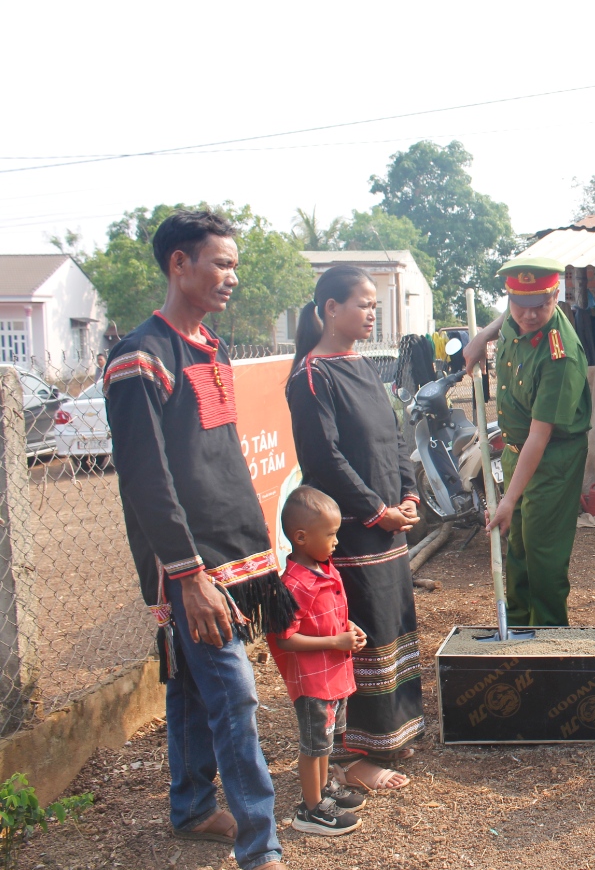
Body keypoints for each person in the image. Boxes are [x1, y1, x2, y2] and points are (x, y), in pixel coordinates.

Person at [104, 210, 291, 870]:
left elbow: (217, 458)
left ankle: (189, 806)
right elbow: (146, 477)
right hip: (189, 565)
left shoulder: (211, 346)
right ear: (178, 264)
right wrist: (187, 576)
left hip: (232, 550)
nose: (231, 276)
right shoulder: (138, 359)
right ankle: (259, 843)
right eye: (219, 262)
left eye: (234, 264)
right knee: (233, 692)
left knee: (188, 686)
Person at [287, 264, 423, 791]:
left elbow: (394, 437)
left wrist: (408, 495)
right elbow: (325, 461)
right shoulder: (311, 376)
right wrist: (375, 511)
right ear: (329, 309)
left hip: (389, 524)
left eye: (374, 304)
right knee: (358, 638)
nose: (372, 312)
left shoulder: (364, 365)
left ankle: (393, 735)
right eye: (363, 304)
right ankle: (355, 757)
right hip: (351, 534)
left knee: (390, 629)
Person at [464, 257, 592, 627]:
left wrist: (508, 499)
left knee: (542, 554)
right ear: (508, 298)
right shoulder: (514, 318)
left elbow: (541, 435)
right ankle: (518, 630)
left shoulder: (559, 354)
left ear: (556, 295)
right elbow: (509, 318)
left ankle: (550, 639)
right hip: (516, 453)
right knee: (516, 545)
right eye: (520, 303)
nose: (530, 315)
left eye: (541, 305)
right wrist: (482, 337)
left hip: (552, 458)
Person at [267, 487, 367, 836]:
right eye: (330, 535)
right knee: (313, 746)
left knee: (326, 741)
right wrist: (336, 641)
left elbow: (333, 617)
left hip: (333, 675)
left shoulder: (323, 569)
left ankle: (325, 789)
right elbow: (285, 638)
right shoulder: (294, 585)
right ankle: (310, 810)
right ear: (301, 537)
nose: (336, 541)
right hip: (314, 683)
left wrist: (349, 630)